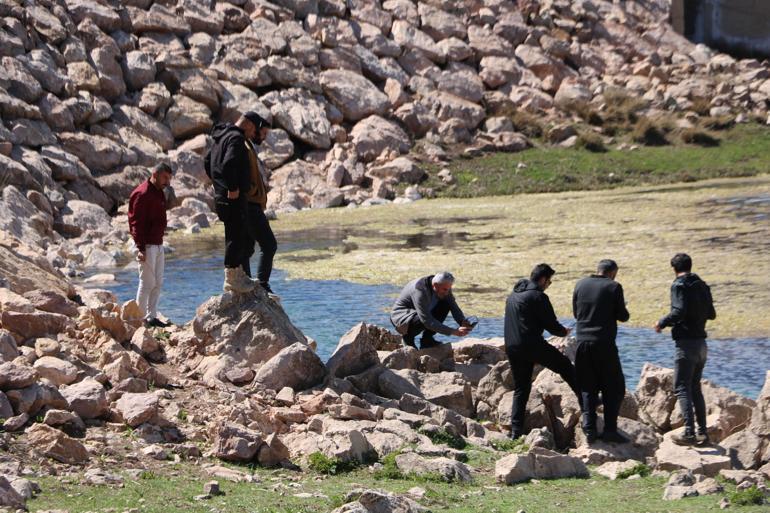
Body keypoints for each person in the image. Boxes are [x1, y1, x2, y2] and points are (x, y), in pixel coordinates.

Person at [504, 263, 579, 439]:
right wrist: (563, 332)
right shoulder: (538, 296)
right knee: (565, 366)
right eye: (549, 282)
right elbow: (551, 324)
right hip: (532, 345)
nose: (548, 286)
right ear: (543, 279)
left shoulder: (513, 295)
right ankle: (587, 401)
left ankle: (515, 432)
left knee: (521, 388)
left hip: (512, 346)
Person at [654, 253, 716, 446]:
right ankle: (703, 433)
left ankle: (689, 432)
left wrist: (662, 322)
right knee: (695, 388)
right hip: (701, 345)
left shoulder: (679, 285)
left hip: (686, 345)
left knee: (681, 387)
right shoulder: (702, 285)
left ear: (674, 268)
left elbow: (678, 311)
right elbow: (712, 314)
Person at [205, 111, 266, 293]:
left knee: (238, 236)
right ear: (247, 124)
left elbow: (208, 161)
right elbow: (228, 163)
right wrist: (231, 187)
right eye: (253, 130)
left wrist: (218, 185)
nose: (252, 135)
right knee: (236, 236)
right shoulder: (236, 138)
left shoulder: (221, 137)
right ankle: (232, 279)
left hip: (222, 197)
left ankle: (238, 276)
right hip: (233, 198)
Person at [573, 259, 630, 443]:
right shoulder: (613, 287)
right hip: (603, 343)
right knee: (614, 386)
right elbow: (623, 316)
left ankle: (589, 429)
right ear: (612, 272)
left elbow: (576, 313)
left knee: (587, 386)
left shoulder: (580, 284)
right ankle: (610, 430)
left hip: (581, 342)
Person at [128, 163, 173, 328]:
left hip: (159, 243)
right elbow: (135, 223)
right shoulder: (141, 193)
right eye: (165, 178)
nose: (167, 182)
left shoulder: (159, 192)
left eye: (169, 178)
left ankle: (152, 317)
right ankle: (139, 321)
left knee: (158, 282)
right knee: (147, 283)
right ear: (155, 174)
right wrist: (140, 248)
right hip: (147, 245)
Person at [240, 114, 279, 300]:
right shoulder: (243, 145)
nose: (263, 137)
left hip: (251, 204)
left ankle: (248, 282)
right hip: (250, 204)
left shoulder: (249, 146)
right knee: (269, 245)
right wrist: (253, 191)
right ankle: (262, 284)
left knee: (247, 248)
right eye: (262, 132)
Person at [390, 272, 474, 349]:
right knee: (422, 318)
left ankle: (427, 340)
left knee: (445, 304)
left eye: (449, 289)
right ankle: (408, 338)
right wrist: (453, 331)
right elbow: (427, 321)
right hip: (402, 319)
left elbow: (453, 306)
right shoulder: (420, 289)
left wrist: (462, 321)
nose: (447, 292)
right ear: (435, 285)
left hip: (421, 314)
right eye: (445, 289)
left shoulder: (444, 285)